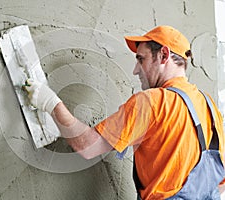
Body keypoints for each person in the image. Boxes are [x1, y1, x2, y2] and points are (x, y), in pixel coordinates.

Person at [24, 25, 225, 199]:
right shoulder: (209, 105)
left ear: (163, 55)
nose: (136, 70)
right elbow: (221, 182)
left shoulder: (152, 101)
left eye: (141, 59)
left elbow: (87, 146)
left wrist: (50, 102)